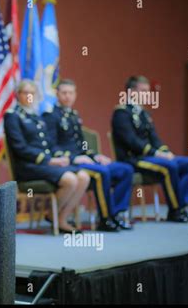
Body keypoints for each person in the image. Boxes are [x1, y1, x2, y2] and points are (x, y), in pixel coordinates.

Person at [43, 79, 134, 232]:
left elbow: (81, 144)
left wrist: (95, 156)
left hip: (84, 159)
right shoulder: (50, 116)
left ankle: (116, 213)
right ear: (57, 94)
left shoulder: (74, 115)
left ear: (75, 95)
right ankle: (105, 219)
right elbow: (51, 147)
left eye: (71, 93)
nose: (67, 96)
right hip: (69, 162)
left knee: (126, 169)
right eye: (64, 93)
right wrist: (73, 158)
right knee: (102, 173)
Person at [4, 79, 90, 234]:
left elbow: (49, 143)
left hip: (46, 164)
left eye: (33, 93)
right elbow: (20, 148)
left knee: (83, 177)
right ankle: (54, 216)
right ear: (18, 95)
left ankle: (61, 216)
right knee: (70, 180)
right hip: (29, 166)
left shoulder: (36, 116)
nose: (29, 96)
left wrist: (61, 158)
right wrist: (49, 159)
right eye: (25, 93)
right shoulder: (13, 116)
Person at [111, 75, 188, 222]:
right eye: (143, 90)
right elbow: (132, 141)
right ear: (132, 92)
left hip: (152, 157)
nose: (147, 94)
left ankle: (182, 206)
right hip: (133, 159)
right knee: (168, 166)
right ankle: (175, 211)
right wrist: (156, 153)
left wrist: (165, 151)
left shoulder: (144, 113)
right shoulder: (122, 113)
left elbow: (154, 138)